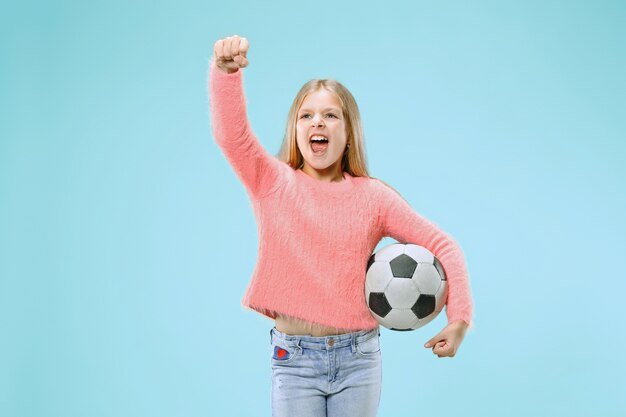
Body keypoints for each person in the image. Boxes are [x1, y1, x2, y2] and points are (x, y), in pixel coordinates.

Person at [208, 34, 473, 417]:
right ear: (296, 131)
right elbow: (232, 137)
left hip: (358, 359)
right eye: (307, 115)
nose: (318, 122)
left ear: (348, 134)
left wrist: (459, 319)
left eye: (331, 115)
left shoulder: (373, 197)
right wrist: (225, 73)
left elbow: (443, 246)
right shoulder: (273, 182)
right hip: (294, 359)